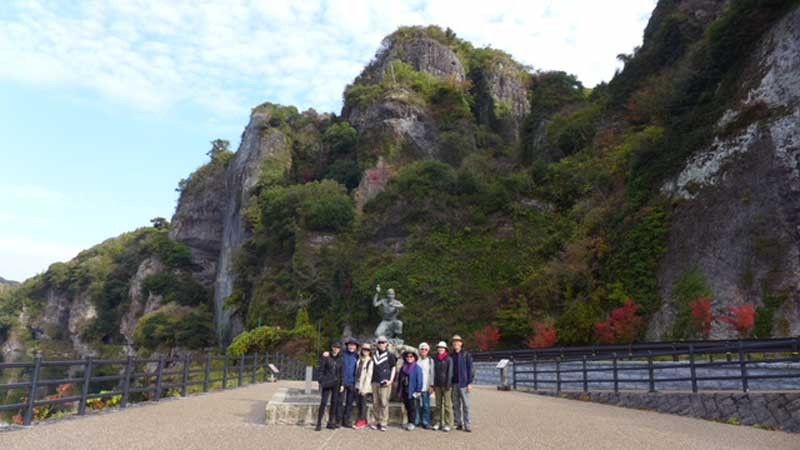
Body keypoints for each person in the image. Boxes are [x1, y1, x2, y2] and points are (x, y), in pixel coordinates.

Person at [316, 342, 344, 431]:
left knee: (334, 403)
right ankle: (319, 423)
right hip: (327, 382)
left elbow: (342, 372)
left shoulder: (341, 359)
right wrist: (320, 380)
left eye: (338, 348)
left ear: (340, 349)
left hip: (337, 383)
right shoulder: (326, 357)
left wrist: (342, 384)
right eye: (335, 347)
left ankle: (331, 422)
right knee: (323, 402)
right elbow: (321, 369)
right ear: (332, 347)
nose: (336, 349)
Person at [370, 336, 396, 431]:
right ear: (377, 344)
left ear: (386, 344)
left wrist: (390, 380)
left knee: (384, 402)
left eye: (383, 342)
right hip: (374, 381)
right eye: (380, 342)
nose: (381, 344)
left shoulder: (390, 355)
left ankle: (383, 422)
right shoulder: (373, 354)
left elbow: (393, 367)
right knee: (375, 402)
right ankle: (376, 421)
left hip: (385, 381)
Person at [450, 334, 474, 432]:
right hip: (454, 383)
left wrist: (470, 382)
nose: (456, 343)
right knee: (455, 405)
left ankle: (467, 424)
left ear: (461, 343)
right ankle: (458, 423)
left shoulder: (466, 355)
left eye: (458, 342)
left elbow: (471, 369)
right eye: (454, 342)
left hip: (464, 383)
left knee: (466, 405)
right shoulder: (451, 356)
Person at [397, 350, 424, 431]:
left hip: (412, 390)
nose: (409, 358)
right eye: (407, 357)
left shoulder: (417, 368)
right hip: (405, 389)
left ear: (414, 358)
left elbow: (419, 380)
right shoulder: (403, 367)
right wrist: (399, 390)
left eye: (411, 357)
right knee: (407, 407)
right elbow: (399, 379)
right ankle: (408, 422)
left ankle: (412, 422)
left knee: (412, 407)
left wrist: (418, 390)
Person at [431, 341, 454, 432]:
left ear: (445, 349)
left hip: (446, 384)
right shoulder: (435, 359)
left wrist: (448, 384)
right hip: (437, 384)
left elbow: (450, 372)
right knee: (438, 405)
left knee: (447, 405)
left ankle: (448, 423)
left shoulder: (449, 359)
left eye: (442, 348)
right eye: (439, 347)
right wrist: (433, 384)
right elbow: (433, 372)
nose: (440, 349)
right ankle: (437, 422)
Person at [353, 342, 374, 430]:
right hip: (357, 384)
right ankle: (363, 420)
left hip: (364, 386)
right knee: (358, 403)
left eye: (367, 350)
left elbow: (369, 376)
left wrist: (364, 389)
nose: (365, 351)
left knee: (363, 404)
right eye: (364, 349)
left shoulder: (370, 361)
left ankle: (362, 420)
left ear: (370, 351)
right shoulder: (359, 360)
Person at [340, 337, 360, 427]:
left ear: (356, 347)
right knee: (339, 402)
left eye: (353, 345)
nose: (351, 347)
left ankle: (346, 420)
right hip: (342, 382)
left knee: (349, 403)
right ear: (347, 346)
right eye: (350, 345)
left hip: (352, 382)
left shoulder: (358, 356)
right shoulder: (342, 355)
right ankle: (338, 420)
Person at [414, 342, 435, 429]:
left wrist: (432, 385)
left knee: (426, 405)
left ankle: (426, 422)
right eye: (422, 349)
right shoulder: (416, 360)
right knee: (416, 405)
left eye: (426, 349)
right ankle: (417, 421)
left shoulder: (430, 361)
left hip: (426, 386)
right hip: (417, 386)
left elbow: (432, 373)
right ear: (419, 350)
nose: (424, 351)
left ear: (428, 351)